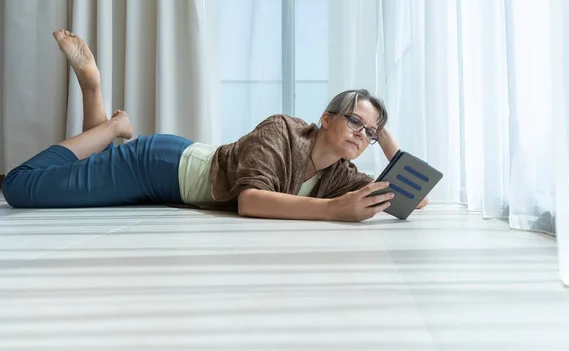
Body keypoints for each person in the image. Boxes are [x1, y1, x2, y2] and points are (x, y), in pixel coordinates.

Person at [2, 30, 428, 222]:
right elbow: (250, 201)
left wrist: (383, 130)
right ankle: (115, 128)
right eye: (354, 121)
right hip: (159, 165)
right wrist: (334, 212)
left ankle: (95, 97)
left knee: (88, 174)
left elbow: (415, 198)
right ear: (326, 118)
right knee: (21, 187)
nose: (361, 134)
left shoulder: (339, 176)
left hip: (166, 182)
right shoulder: (283, 130)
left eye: (368, 133)